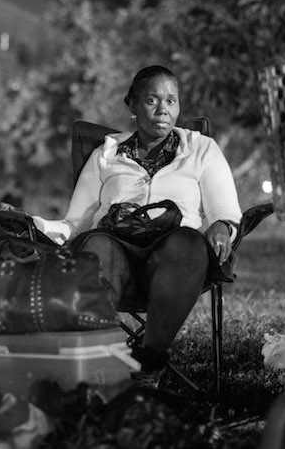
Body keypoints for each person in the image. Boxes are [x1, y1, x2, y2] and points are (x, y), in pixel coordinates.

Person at [31, 65, 242, 387]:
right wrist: (33, 226)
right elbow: (75, 222)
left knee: (186, 241)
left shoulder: (201, 149)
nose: (163, 110)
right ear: (132, 104)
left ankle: (148, 364)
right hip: (116, 256)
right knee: (96, 246)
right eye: (152, 100)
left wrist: (223, 226)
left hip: (177, 262)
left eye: (171, 101)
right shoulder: (106, 154)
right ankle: (97, 364)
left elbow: (225, 211)